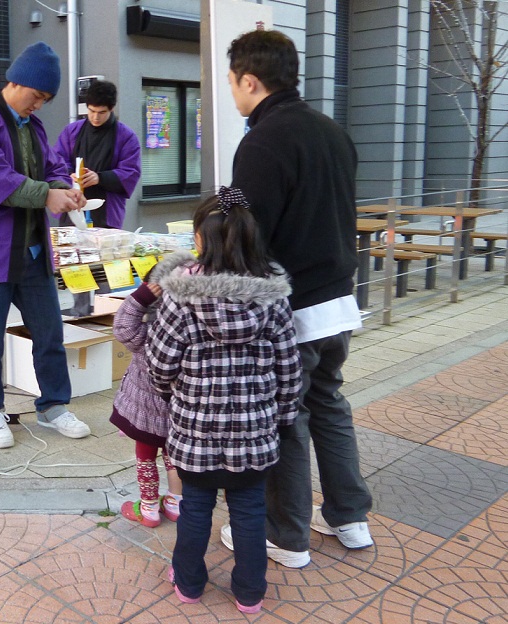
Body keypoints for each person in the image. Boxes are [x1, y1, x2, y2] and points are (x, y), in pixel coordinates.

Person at [222, 29, 374, 568]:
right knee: (328, 403)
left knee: (287, 418)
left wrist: (219, 212)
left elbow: (241, 227)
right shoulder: (333, 132)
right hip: (339, 298)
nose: (233, 95)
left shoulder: (262, 141)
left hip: (293, 309)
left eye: (233, 84)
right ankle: (350, 516)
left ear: (250, 80)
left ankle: (285, 536)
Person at [145, 187, 302, 614]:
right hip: (254, 434)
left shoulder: (180, 298)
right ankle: (250, 592)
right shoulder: (273, 299)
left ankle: (190, 583)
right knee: (249, 511)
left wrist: (172, 396)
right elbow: (290, 369)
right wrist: (283, 417)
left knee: (195, 508)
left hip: (195, 432)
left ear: (201, 240)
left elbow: (159, 364)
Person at [0, 41, 92, 449]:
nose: (40, 105)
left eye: (46, 99)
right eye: (38, 96)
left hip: (31, 250)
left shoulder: (33, 126)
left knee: (50, 332)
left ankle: (53, 408)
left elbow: (51, 167)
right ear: (17, 81)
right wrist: (47, 195)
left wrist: (66, 187)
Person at [110, 265, 183, 528]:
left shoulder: (147, 334)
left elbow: (123, 327)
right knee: (174, 457)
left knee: (145, 456)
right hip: (180, 414)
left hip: (146, 414)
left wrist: (140, 297)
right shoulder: (188, 330)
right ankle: (176, 504)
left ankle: (149, 508)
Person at [54, 80, 141, 229]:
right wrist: (70, 174)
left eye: (101, 112)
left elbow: (131, 172)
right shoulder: (71, 131)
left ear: (111, 109)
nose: (95, 117)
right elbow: (57, 161)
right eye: (91, 111)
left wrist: (99, 178)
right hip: (72, 205)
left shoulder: (126, 136)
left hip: (107, 211)